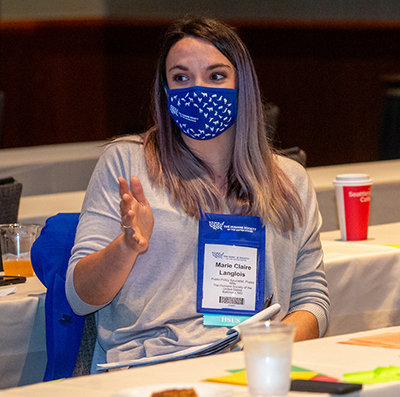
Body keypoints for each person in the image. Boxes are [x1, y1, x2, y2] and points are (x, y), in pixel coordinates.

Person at [66, 15, 330, 373]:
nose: (199, 89)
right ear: (165, 90)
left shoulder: (290, 181)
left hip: (249, 367)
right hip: (151, 369)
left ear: (243, 86)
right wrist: (126, 246)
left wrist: (269, 347)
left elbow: (312, 299)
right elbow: (79, 298)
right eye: (181, 77)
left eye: (216, 76)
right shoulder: (127, 163)